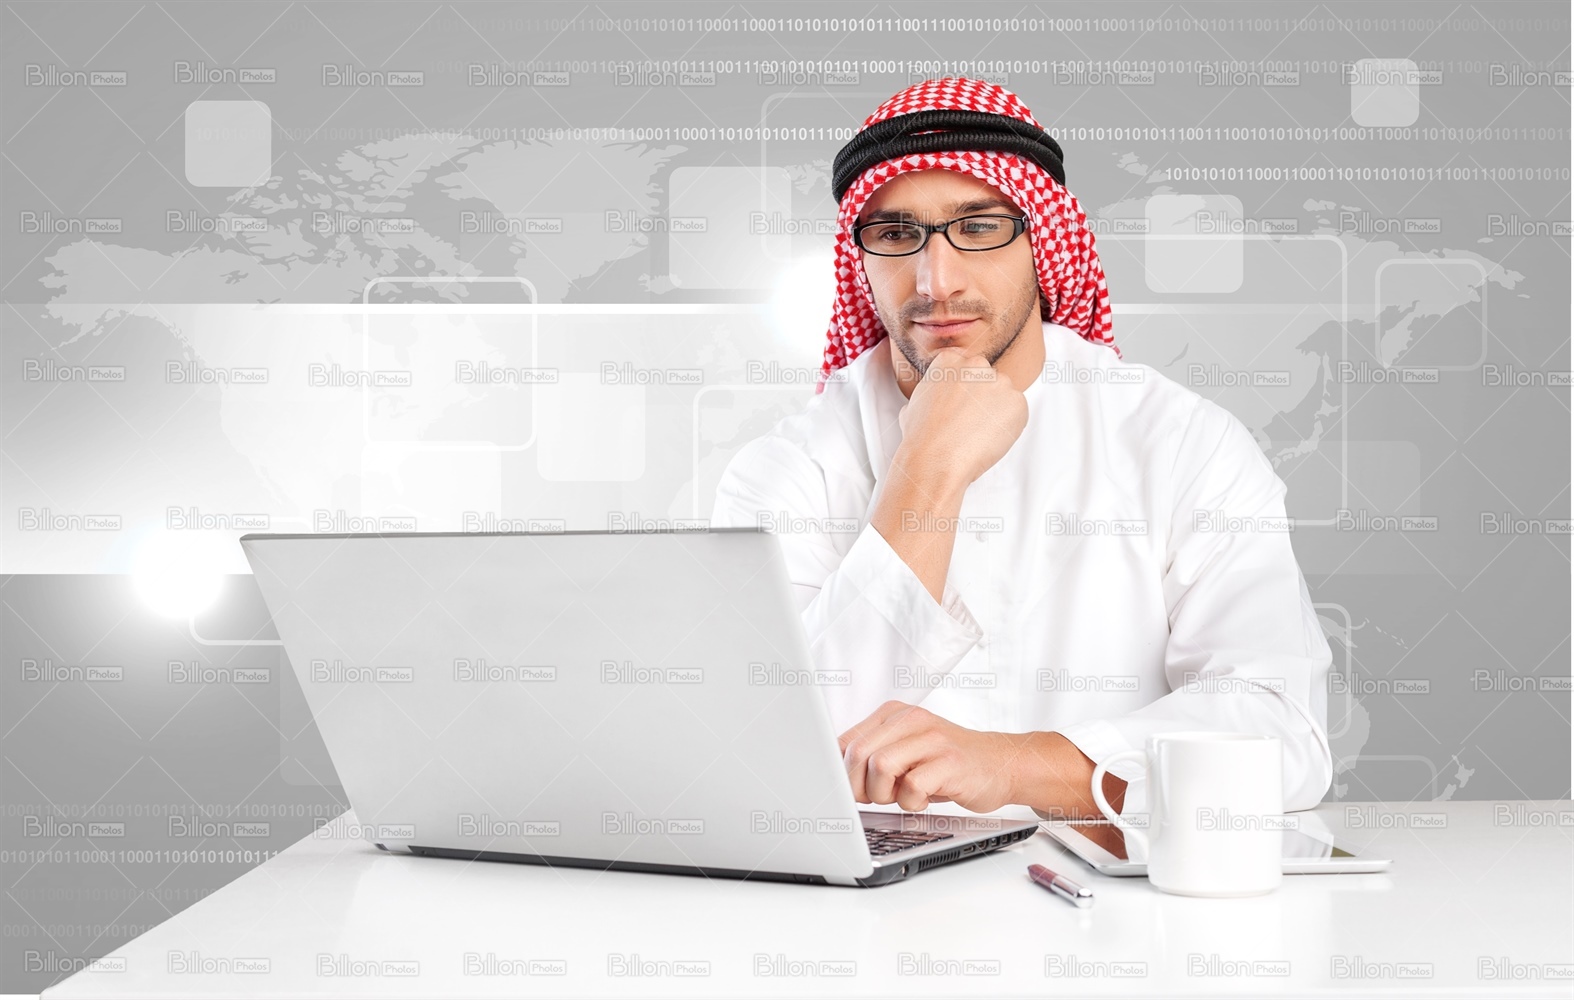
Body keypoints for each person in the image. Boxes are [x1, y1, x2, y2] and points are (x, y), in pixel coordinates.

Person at [711, 78, 1333, 825]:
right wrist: (927, 469)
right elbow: (771, 758)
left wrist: (1010, 765)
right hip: (869, 894)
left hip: (1107, 894)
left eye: (979, 227)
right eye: (896, 234)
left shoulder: (1180, 443)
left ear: (1043, 238)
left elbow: (1280, 735)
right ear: (860, 256)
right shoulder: (787, 468)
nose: (936, 281)